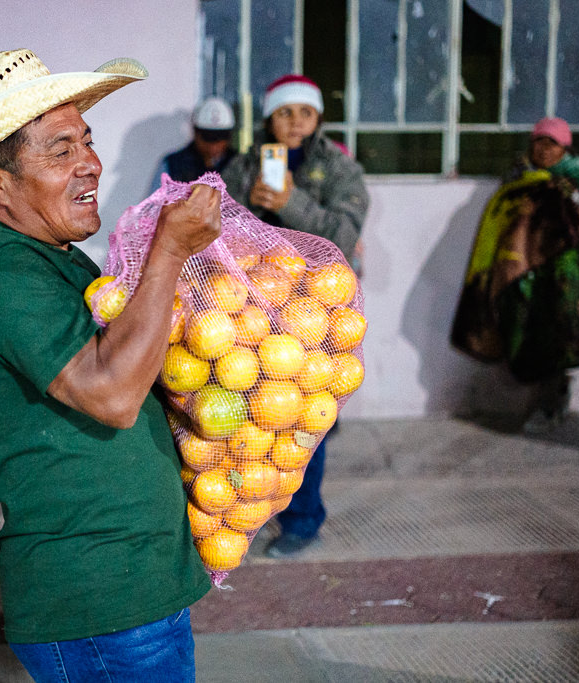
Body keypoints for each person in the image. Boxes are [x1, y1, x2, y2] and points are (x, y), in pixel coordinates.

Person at [0, 49, 221, 681]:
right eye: (60, 150)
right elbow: (109, 393)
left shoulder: (49, 255)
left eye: (87, 141)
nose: (90, 164)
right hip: (99, 601)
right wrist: (170, 251)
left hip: (129, 584)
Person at [222, 74, 370, 557]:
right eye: (284, 113)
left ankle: (302, 520)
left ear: (317, 119)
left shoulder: (340, 169)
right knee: (249, 417)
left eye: (304, 113)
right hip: (252, 312)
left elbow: (343, 237)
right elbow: (218, 228)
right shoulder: (244, 166)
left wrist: (291, 204)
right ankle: (246, 515)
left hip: (315, 316)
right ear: (269, 118)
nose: (294, 123)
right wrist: (254, 207)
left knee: (303, 416)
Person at [451, 117, 579, 433]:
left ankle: (552, 402)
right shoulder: (517, 177)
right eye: (538, 142)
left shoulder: (573, 181)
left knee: (556, 331)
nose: (543, 150)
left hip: (559, 271)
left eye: (551, 144)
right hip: (520, 269)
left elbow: (577, 228)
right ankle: (539, 400)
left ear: (564, 149)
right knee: (523, 327)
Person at [150, 95, 238, 190]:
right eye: (208, 138)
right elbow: (154, 203)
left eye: (220, 138)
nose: (213, 146)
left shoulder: (240, 164)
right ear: (196, 133)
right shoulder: (172, 165)